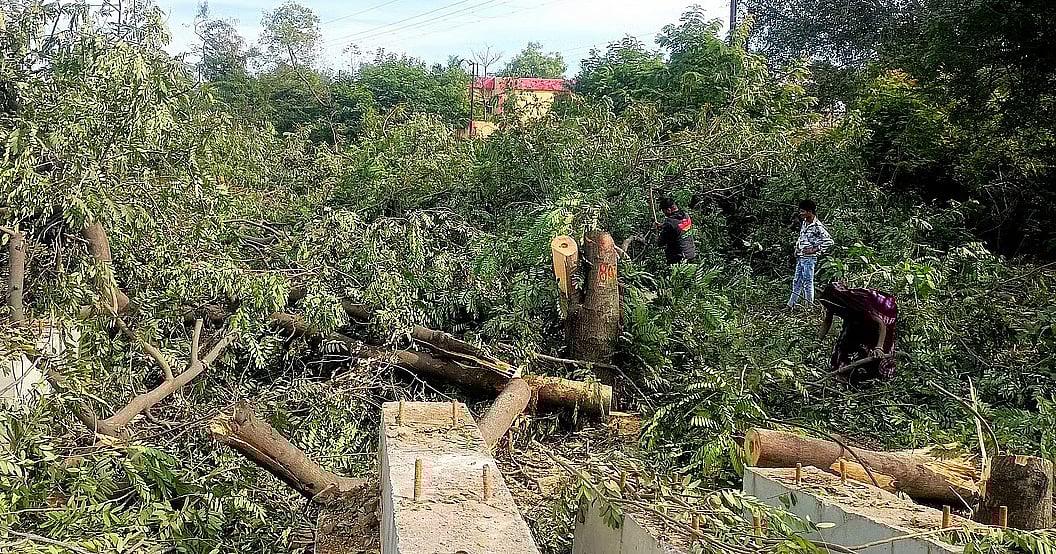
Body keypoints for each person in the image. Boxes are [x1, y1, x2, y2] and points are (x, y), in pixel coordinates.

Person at [817, 282, 898, 385]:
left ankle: (879, 378)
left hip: (880, 314)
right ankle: (843, 376)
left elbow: (881, 324)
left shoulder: (858, 303)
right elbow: (827, 321)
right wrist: (818, 341)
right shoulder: (833, 303)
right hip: (855, 319)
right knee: (845, 345)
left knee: (874, 349)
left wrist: (879, 347)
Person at [787, 199, 833, 307]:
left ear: (810, 211)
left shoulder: (818, 226)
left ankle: (809, 306)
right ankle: (791, 304)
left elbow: (829, 241)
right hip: (800, 257)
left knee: (808, 282)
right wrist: (796, 248)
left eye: (803, 211)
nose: (801, 213)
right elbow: (801, 237)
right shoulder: (804, 223)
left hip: (809, 258)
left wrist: (815, 249)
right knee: (797, 281)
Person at [656, 197, 697, 265]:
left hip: (679, 259)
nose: (664, 214)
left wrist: (658, 234)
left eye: (664, 211)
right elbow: (679, 226)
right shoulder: (685, 215)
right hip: (691, 254)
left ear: (669, 210)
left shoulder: (669, 223)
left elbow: (660, 243)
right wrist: (663, 226)